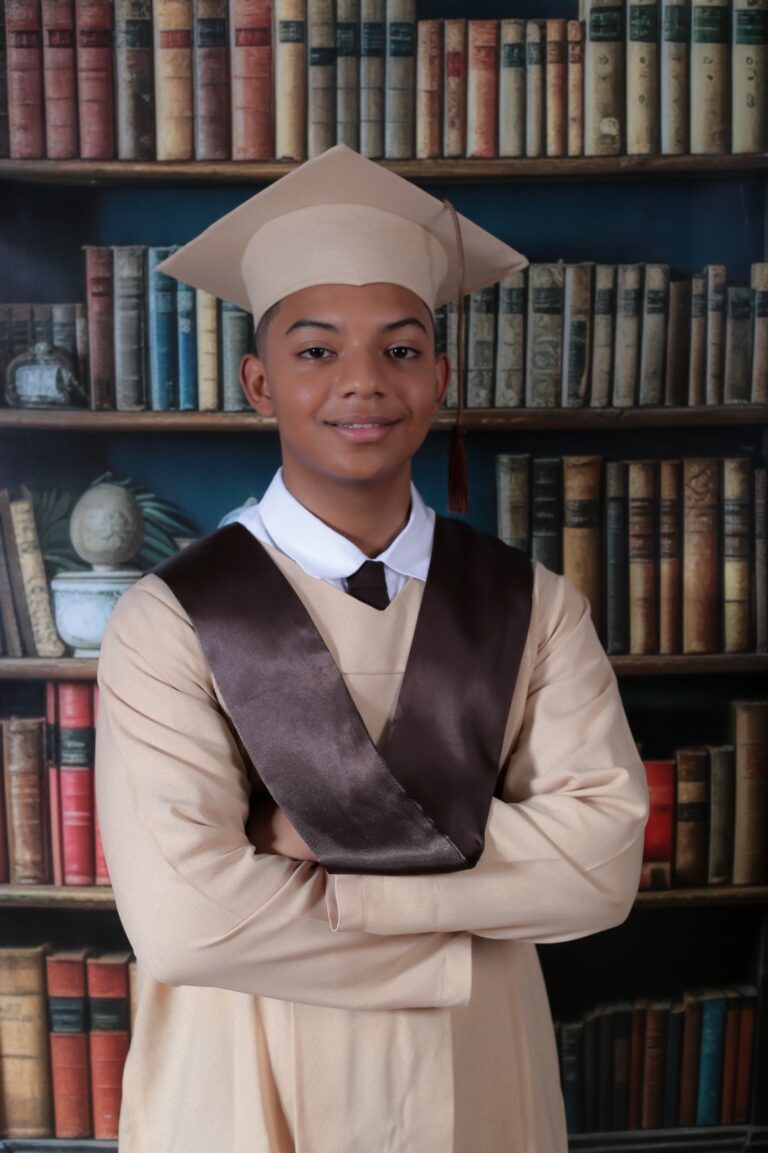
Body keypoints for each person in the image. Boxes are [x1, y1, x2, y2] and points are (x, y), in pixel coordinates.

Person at [94, 143, 649, 1153]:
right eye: (316, 351)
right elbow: (185, 922)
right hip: (240, 1086)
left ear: (439, 375)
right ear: (260, 383)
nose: (363, 382)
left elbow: (601, 867)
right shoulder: (170, 618)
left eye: (400, 350)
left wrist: (309, 842)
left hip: (475, 1077)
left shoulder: (533, 607)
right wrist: (463, 910)